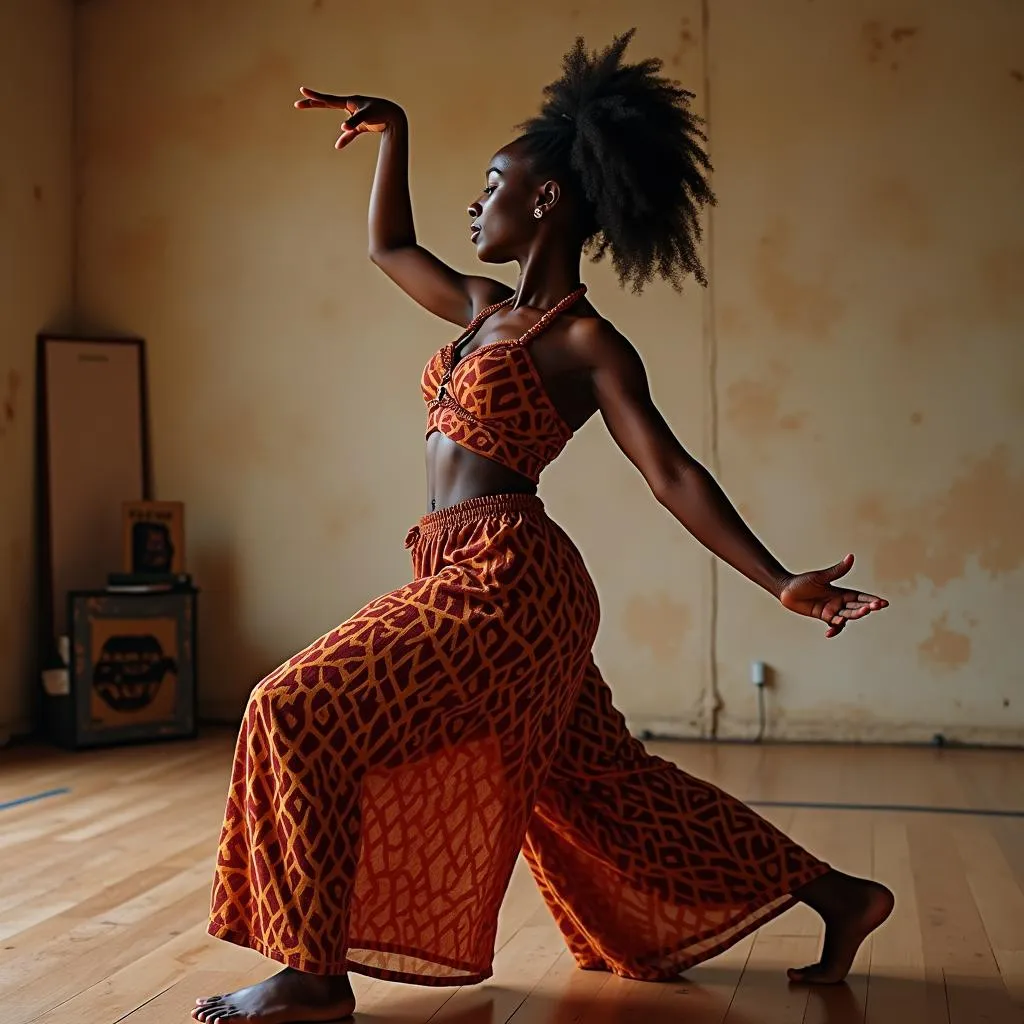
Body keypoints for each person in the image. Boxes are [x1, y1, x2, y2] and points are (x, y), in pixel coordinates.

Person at [193, 31, 893, 1024]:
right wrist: (396, 131)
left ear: (548, 200)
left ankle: (313, 973)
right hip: (463, 569)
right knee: (608, 791)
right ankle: (842, 895)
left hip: (508, 581)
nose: (476, 203)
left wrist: (778, 579)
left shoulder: (582, 341)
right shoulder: (480, 310)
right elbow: (388, 248)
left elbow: (670, 472)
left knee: (291, 708)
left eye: (491, 184)